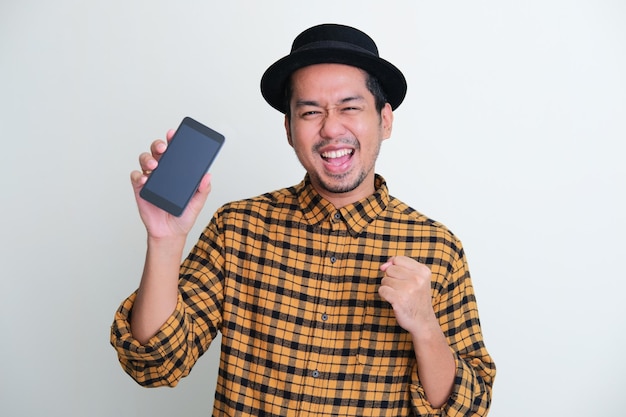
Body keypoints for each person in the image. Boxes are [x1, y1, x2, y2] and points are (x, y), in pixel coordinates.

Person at [110, 23, 496, 416]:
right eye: (310, 112)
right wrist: (164, 240)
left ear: (385, 120)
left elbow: (467, 409)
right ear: (289, 130)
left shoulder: (437, 248)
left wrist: (425, 326)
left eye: (350, 107)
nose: (330, 128)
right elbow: (153, 364)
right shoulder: (237, 228)